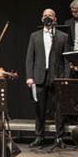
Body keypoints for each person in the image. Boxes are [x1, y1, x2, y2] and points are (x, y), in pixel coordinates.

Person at [25, 8, 68, 147]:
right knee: (39, 108)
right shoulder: (34, 36)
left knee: (59, 108)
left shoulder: (63, 36)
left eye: (50, 15)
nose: (47, 17)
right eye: (45, 15)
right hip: (39, 76)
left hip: (57, 76)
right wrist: (29, 76)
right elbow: (30, 58)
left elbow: (66, 60)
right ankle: (39, 136)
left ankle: (59, 137)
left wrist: (66, 78)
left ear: (55, 19)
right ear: (41, 18)